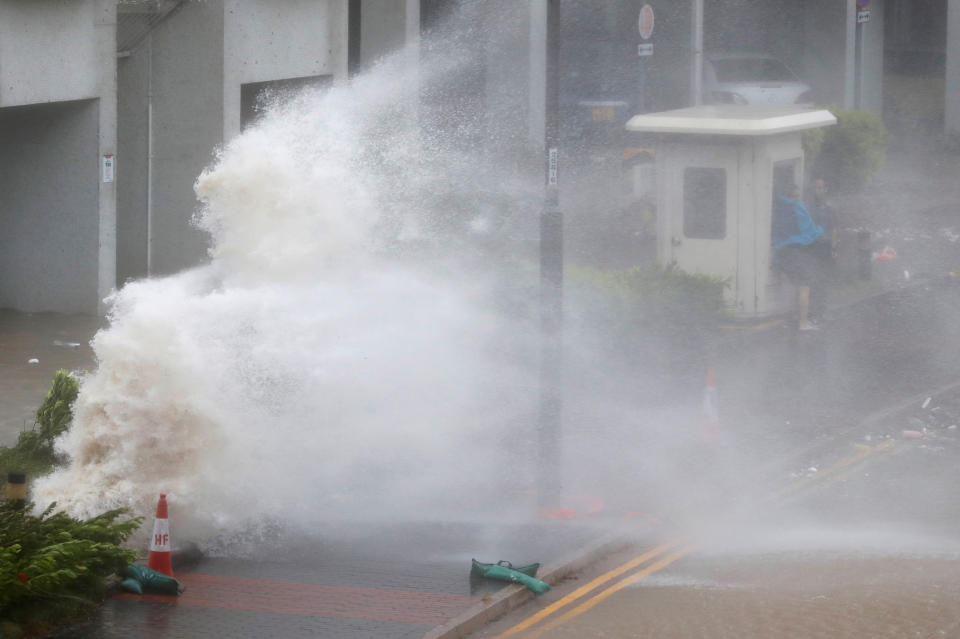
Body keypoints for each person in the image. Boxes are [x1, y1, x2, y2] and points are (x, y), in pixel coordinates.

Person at [771, 183, 825, 331]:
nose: (796, 199)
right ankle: (803, 323)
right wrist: (821, 228)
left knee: (793, 284)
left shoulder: (776, 207)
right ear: (788, 196)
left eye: (797, 196)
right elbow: (811, 231)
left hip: (780, 252)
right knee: (804, 286)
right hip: (793, 252)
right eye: (794, 196)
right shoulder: (796, 208)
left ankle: (790, 318)